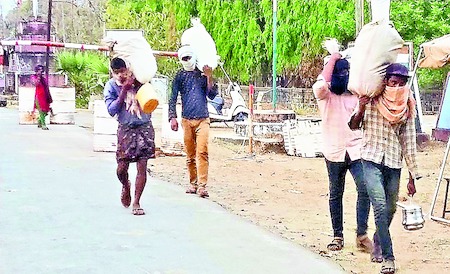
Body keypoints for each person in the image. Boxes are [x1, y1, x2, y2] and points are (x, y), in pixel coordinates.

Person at [349, 63, 419, 274]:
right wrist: (361, 106)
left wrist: (412, 175)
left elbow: (409, 141)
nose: (397, 87)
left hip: (393, 162)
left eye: (401, 83)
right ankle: (389, 257)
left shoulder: (407, 105)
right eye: (393, 82)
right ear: (386, 82)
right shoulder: (371, 99)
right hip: (370, 159)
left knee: (390, 208)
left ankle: (379, 239)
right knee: (379, 206)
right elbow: (353, 125)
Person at [312, 52, 372, 253]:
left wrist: (362, 106)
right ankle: (337, 236)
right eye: (340, 72)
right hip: (334, 150)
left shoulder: (354, 95)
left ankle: (361, 234)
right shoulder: (325, 94)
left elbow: (359, 120)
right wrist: (333, 59)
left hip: (356, 149)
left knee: (364, 189)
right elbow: (320, 84)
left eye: (347, 72)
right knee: (336, 194)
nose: (343, 75)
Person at [104, 57, 156, 216]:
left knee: (142, 166)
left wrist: (138, 86)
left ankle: (137, 201)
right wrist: (124, 91)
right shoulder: (112, 86)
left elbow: (151, 104)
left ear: (129, 69)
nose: (120, 75)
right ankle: (125, 185)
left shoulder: (142, 82)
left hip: (144, 127)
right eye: (117, 72)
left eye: (123, 71)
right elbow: (111, 110)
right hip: (125, 129)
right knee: (121, 169)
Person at [168, 45, 218, 198]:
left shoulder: (202, 75)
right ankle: (193, 183)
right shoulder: (180, 76)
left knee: (202, 152)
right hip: (186, 120)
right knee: (190, 154)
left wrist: (209, 76)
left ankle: (202, 186)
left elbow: (212, 95)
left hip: (202, 119)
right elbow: (173, 97)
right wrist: (172, 117)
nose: (187, 61)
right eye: (184, 58)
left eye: (188, 58)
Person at [31, 65, 53, 130]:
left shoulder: (44, 79)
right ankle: (43, 125)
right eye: (39, 70)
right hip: (39, 97)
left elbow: (47, 88)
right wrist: (38, 77)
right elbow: (36, 84)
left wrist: (49, 97)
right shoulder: (33, 77)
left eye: (41, 70)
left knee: (46, 112)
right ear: (36, 70)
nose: (40, 71)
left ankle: (39, 120)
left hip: (45, 96)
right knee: (41, 111)